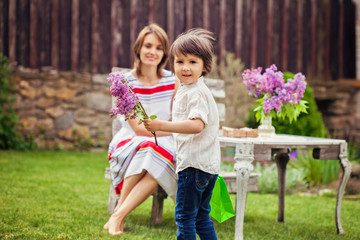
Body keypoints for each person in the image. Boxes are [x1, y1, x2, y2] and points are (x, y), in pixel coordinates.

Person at [144, 28, 220, 240]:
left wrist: (161, 125)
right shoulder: (192, 88)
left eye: (193, 62)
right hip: (206, 166)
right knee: (201, 217)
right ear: (173, 64)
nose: (185, 68)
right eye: (180, 62)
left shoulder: (196, 92)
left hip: (194, 166)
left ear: (204, 65)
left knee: (185, 217)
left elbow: (196, 125)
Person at [103, 23, 177, 236]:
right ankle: (118, 216)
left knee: (158, 158)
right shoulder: (125, 82)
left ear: (164, 53)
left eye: (159, 48)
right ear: (138, 49)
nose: (153, 52)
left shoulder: (173, 81)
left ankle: (117, 215)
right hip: (130, 139)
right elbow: (139, 129)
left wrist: (172, 131)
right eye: (148, 46)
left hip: (163, 141)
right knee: (152, 151)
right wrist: (176, 130)